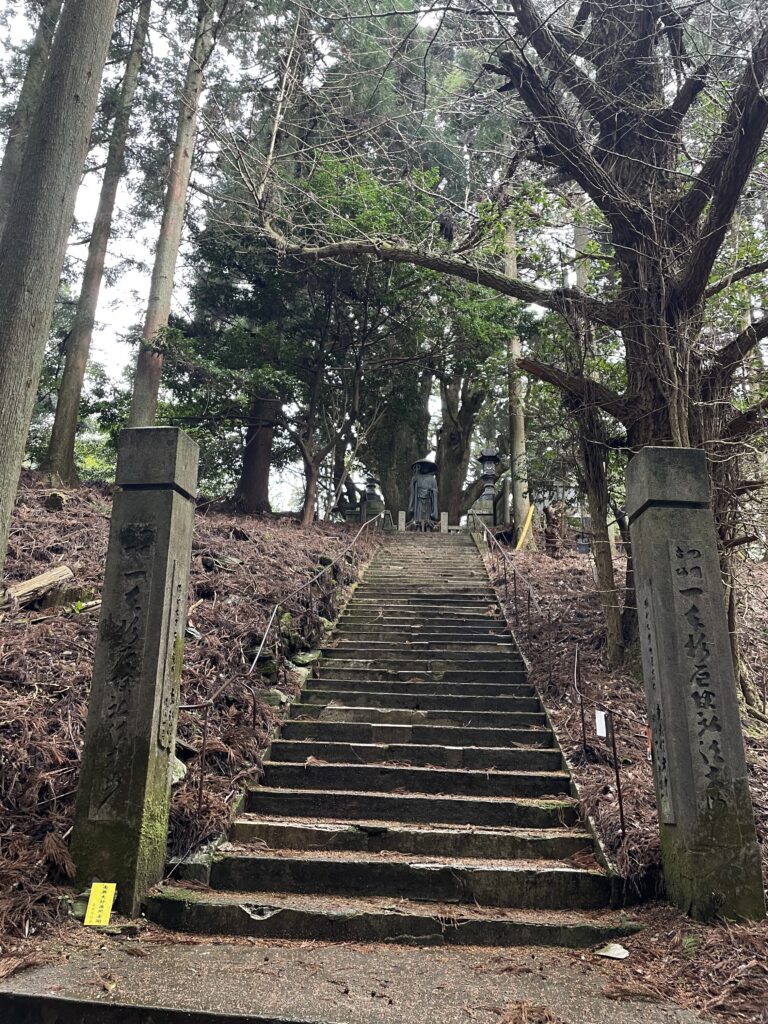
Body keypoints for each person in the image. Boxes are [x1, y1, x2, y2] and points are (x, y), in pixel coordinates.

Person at [407, 458, 439, 530]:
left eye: (427, 467)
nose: (425, 468)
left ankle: (428, 527)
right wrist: (414, 480)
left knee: (427, 516)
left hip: (428, 500)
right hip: (418, 500)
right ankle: (418, 527)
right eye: (423, 466)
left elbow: (435, 490)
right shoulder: (416, 478)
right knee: (418, 515)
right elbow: (411, 488)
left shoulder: (432, 479)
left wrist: (432, 491)